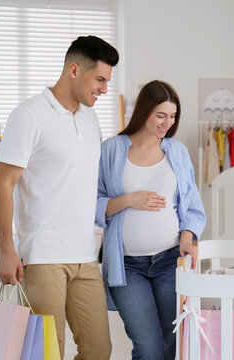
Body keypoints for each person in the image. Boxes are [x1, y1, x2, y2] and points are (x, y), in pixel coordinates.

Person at [0, 35, 119, 359]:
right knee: (47, 353)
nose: (105, 89)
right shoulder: (29, 115)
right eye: (100, 79)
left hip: (86, 255)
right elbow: (4, 183)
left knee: (99, 349)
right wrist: (7, 251)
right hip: (42, 256)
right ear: (74, 70)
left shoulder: (91, 120)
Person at [96, 80, 206, 359]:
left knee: (174, 344)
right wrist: (129, 200)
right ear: (144, 111)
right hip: (127, 267)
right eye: (161, 115)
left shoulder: (177, 152)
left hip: (170, 261)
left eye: (172, 116)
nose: (167, 123)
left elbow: (192, 206)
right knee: (149, 347)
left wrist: (186, 237)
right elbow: (91, 203)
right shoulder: (111, 150)